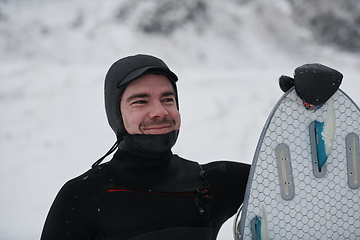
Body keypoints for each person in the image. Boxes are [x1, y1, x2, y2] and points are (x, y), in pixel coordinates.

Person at [40, 54, 251, 240]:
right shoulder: (83, 196)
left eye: (167, 99)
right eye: (141, 101)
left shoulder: (211, 184)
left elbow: (279, 178)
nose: (159, 112)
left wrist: (286, 110)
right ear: (117, 116)